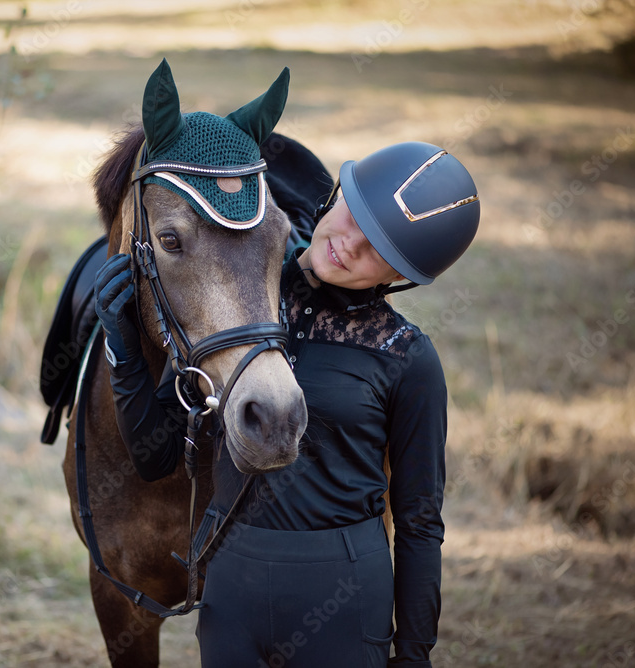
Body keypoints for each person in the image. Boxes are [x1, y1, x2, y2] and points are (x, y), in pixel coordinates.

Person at [94, 140, 480, 667]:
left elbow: (418, 520)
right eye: (355, 214)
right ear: (335, 194)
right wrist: (123, 347)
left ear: (399, 278)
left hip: (344, 594)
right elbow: (155, 454)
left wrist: (413, 653)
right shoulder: (238, 309)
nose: (351, 243)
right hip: (233, 591)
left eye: (380, 249)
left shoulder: (408, 358)